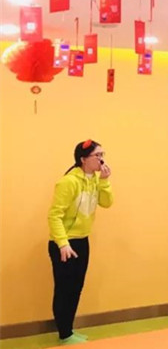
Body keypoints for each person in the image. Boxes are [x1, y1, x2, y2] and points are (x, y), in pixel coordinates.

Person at [47, 140, 113, 345]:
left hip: (82, 241)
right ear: (83, 159)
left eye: (102, 154)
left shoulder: (94, 180)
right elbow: (54, 215)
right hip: (65, 244)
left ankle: (68, 330)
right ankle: (64, 334)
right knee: (64, 289)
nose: (101, 159)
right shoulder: (68, 182)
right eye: (97, 155)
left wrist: (104, 181)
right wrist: (62, 243)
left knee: (76, 287)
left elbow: (107, 203)